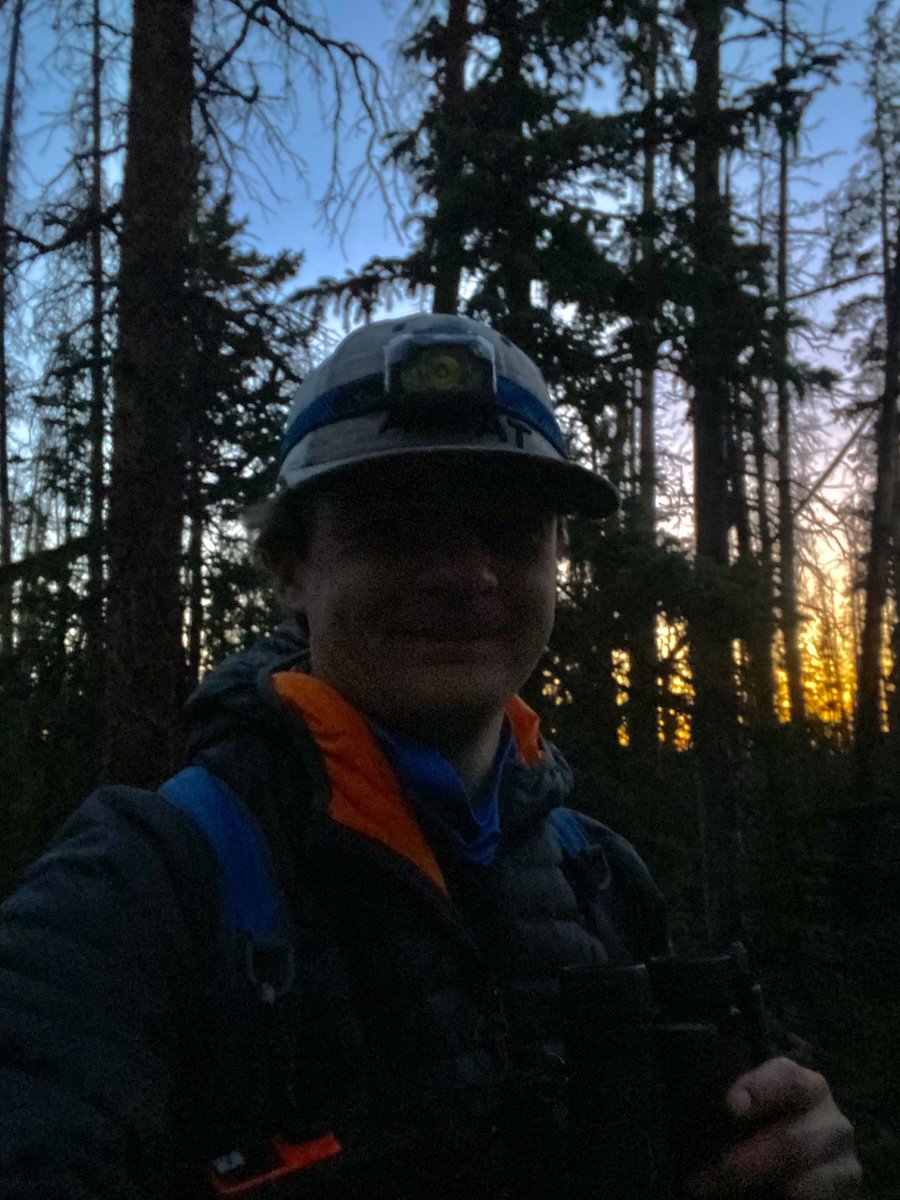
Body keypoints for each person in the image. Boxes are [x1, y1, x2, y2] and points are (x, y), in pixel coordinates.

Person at [0, 313, 861, 1199]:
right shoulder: (143, 885)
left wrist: (783, 1154)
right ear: (289, 567)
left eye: (512, 530)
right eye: (397, 527)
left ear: (558, 561)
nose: (468, 575)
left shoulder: (604, 880)